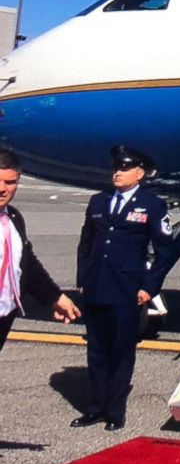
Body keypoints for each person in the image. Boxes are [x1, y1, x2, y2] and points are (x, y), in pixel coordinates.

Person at [71, 145, 173, 432]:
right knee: (97, 350)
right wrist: (83, 280)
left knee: (121, 352)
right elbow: (86, 244)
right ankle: (95, 408)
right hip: (96, 287)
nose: (118, 172)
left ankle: (115, 411)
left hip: (127, 290)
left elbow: (165, 250)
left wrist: (149, 288)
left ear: (140, 173)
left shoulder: (152, 205)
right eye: (116, 167)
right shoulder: (98, 202)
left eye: (125, 168)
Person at [0, 149, 81, 351]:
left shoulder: (13, 219)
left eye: (10, 182)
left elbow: (26, 265)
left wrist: (55, 298)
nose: (2, 189)